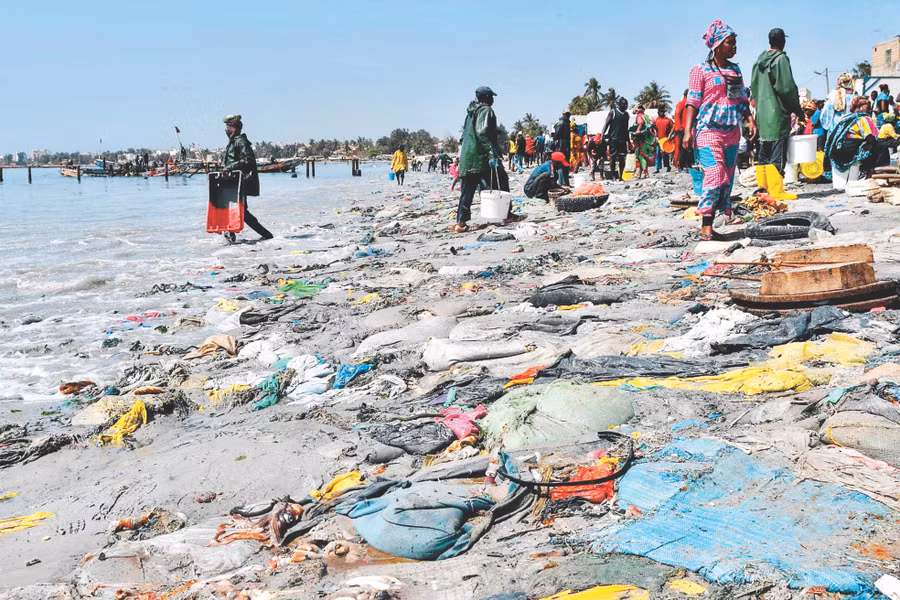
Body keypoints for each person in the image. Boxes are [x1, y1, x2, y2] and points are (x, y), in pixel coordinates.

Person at [683, 20, 757, 241]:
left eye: (735, 43)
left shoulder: (735, 70)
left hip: (731, 133)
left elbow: (742, 99)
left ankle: (713, 222)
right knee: (715, 174)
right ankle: (705, 224)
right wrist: (687, 130)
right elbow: (692, 101)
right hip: (708, 131)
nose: (734, 47)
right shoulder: (700, 70)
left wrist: (750, 120)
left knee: (726, 179)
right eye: (730, 43)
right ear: (717, 45)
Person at [455, 86, 521, 233]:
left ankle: (460, 222)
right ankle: (506, 214)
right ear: (486, 97)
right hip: (481, 157)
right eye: (491, 97)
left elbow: (466, 135)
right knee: (501, 180)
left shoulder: (470, 113)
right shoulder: (485, 110)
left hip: (468, 158)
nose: (493, 100)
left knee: (467, 190)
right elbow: (482, 133)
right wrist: (492, 154)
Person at [751, 27, 803, 201]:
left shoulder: (759, 61)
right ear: (783, 41)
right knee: (777, 151)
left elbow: (754, 87)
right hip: (777, 112)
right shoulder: (780, 59)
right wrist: (796, 109)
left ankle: (763, 189)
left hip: (762, 113)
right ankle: (776, 191)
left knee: (763, 152)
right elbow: (786, 88)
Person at [221, 114, 273, 242]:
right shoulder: (234, 142)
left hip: (241, 181)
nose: (226, 130)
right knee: (238, 210)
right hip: (234, 181)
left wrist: (230, 167)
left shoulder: (240, 141)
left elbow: (248, 160)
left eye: (228, 127)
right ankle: (232, 233)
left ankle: (266, 235)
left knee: (240, 211)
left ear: (234, 128)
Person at [826, 96, 892, 176]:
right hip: (853, 149)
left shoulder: (844, 118)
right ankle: (874, 171)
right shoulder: (863, 118)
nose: (870, 110)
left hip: (839, 150)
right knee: (882, 145)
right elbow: (870, 138)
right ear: (859, 108)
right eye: (867, 107)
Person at [821, 73, 857, 182]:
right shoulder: (856, 94)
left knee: (834, 150)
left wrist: (827, 126)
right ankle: (851, 175)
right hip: (852, 126)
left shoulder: (834, 94)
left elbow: (827, 113)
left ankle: (833, 175)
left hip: (836, 127)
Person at [603, 97, 630, 180]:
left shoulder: (626, 115)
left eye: (626, 105)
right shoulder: (613, 112)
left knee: (622, 158)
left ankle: (621, 176)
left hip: (622, 140)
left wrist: (629, 141)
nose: (625, 106)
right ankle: (612, 175)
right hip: (613, 139)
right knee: (613, 158)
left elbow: (626, 129)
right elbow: (606, 124)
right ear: (619, 104)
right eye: (624, 104)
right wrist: (602, 135)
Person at [630, 105, 655, 179]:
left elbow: (640, 123)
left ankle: (645, 172)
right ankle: (640, 173)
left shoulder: (639, 116)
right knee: (644, 155)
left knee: (640, 156)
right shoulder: (647, 116)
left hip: (641, 139)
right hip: (648, 139)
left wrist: (637, 130)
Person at [653, 106, 675, 172]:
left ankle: (668, 167)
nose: (661, 113)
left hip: (665, 139)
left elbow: (674, 126)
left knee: (665, 155)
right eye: (660, 112)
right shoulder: (656, 120)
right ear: (658, 113)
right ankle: (657, 169)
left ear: (664, 112)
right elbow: (652, 129)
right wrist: (654, 135)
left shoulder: (668, 120)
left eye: (662, 112)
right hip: (658, 140)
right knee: (657, 154)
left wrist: (670, 134)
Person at [673, 89, 690, 170]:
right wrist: (679, 128)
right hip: (681, 130)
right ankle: (679, 166)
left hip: (684, 129)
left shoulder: (686, 103)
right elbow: (677, 115)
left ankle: (684, 164)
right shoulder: (681, 103)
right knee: (680, 148)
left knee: (685, 148)